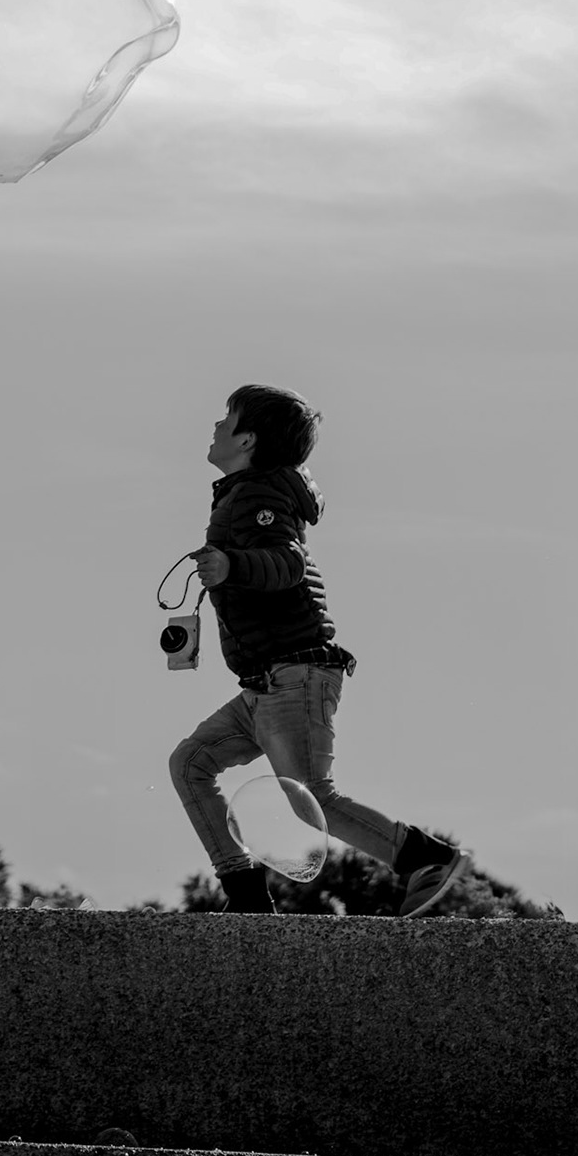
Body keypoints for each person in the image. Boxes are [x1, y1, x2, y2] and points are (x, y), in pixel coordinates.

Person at [167, 384, 466, 916]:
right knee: (191, 763)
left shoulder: (257, 495)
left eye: (226, 418)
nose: (214, 426)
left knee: (313, 798)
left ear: (248, 439)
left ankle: (427, 858)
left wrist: (232, 565)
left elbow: (288, 563)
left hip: (295, 675)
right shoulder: (246, 493)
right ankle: (245, 893)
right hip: (266, 683)